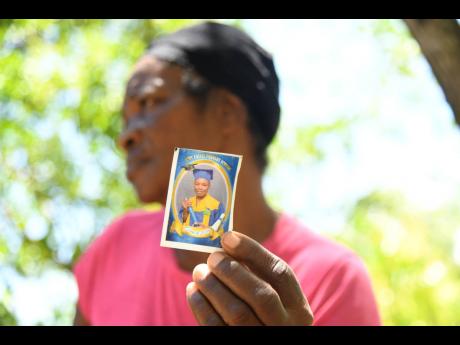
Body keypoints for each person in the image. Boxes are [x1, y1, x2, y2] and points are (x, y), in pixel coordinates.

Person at [73, 21, 381, 326]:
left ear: (226, 112)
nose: (125, 137)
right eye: (126, 119)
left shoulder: (331, 279)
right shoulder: (115, 248)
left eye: (149, 103)